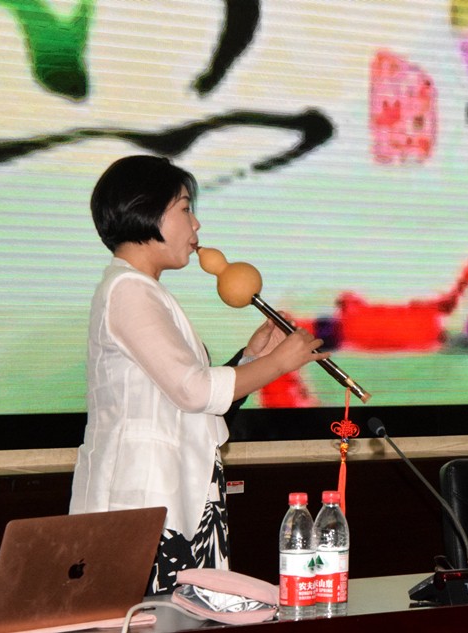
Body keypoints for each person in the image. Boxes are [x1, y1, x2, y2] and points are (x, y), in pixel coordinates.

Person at [69, 155, 331, 594]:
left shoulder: (141, 290)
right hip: (144, 503)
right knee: (154, 618)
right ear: (146, 211)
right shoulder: (128, 290)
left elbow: (188, 397)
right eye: (185, 208)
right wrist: (279, 363)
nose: (196, 224)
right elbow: (194, 391)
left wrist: (252, 359)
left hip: (171, 497)